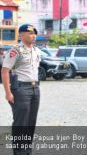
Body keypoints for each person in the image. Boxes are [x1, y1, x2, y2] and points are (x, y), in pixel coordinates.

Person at [2, 24, 41, 155]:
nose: (33, 35)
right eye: (29, 33)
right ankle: (19, 152)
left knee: (31, 122)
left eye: (34, 33)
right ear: (21, 35)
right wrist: (8, 93)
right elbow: (5, 71)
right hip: (21, 88)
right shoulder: (15, 50)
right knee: (21, 122)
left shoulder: (36, 50)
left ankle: (27, 151)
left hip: (35, 88)